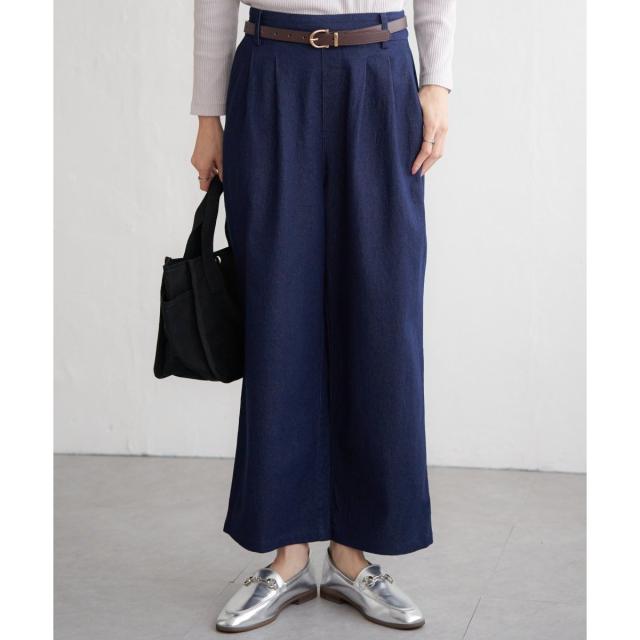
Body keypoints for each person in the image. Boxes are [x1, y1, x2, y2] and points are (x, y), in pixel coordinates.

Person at [190, 0, 455, 632]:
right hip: (271, 72)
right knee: (278, 312)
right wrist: (207, 116)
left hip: (379, 71)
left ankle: (351, 558)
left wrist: (437, 82)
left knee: (383, 316)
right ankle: (286, 557)